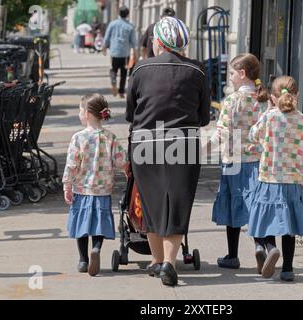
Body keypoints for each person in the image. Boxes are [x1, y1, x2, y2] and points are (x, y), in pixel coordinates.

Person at [126, 16, 210, 286]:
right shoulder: (197, 71)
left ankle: (156, 260)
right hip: (183, 142)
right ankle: (169, 264)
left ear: (159, 42)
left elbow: (131, 112)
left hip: (145, 143)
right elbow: (205, 116)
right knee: (177, 203)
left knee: (151, 204)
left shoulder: (140, 70)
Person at [248, 76, 303, 281]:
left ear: (273, 96)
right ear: (296, 95)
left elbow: (253, 135)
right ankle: (287, 269)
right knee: (290, 228)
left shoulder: (269, 117)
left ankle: (269, 248)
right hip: (294, 182)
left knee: (266, 219)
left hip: (269, 179)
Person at [207, 53, 269, 270]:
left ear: (242, 74)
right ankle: (261, 247)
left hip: (233, 161)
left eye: (232, 73)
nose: (230, 78)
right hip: (258, 162)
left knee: (233, 208)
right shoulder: (264, 101)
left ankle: (232, 256)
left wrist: (203, 149)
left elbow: (222, 133)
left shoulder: (232, 101)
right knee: (257, 207)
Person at [63, 94, 129, 277]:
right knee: (99, 224)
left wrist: (66, 185)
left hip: (82, 189)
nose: (79, 113)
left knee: (81, 226)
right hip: (103, 190)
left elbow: (71, 164)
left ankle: (83, 260)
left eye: (79, 110)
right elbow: (122, 160)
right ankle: (97, 249)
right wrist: (126, 170)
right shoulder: (110, 137)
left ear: (87, 114)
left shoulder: (78, 138)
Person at [103, 5, 137, 98]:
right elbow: (134, 42)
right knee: (124, 72)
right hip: (125, 53)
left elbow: (106, 37)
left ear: (119, 13)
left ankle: (113, 80)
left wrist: (104, 47)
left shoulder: (112, 24)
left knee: (113, 69)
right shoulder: (130, 26)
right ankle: (121, 92)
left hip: (114, 52)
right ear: (127, 14)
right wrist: (135, 54)